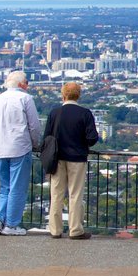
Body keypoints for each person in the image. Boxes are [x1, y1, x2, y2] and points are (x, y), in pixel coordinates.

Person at [0, 71, 42, 236]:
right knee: (17, 187)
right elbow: (34, 127)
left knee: (5, 187)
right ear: (22, 84)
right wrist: (35, 144)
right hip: (20, 148)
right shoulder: (25, 99)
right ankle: (11, 224)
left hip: (1, 149)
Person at [45, 82, 99, 240]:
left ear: (63, 95)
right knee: (75, 194)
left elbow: (47, 137)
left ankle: (55, 230)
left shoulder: (54, 113)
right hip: (77, 158)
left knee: (56, 194)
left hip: (57, 158)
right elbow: (92, 138)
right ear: (79, 95)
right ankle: (75, 230)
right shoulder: (85, 113)